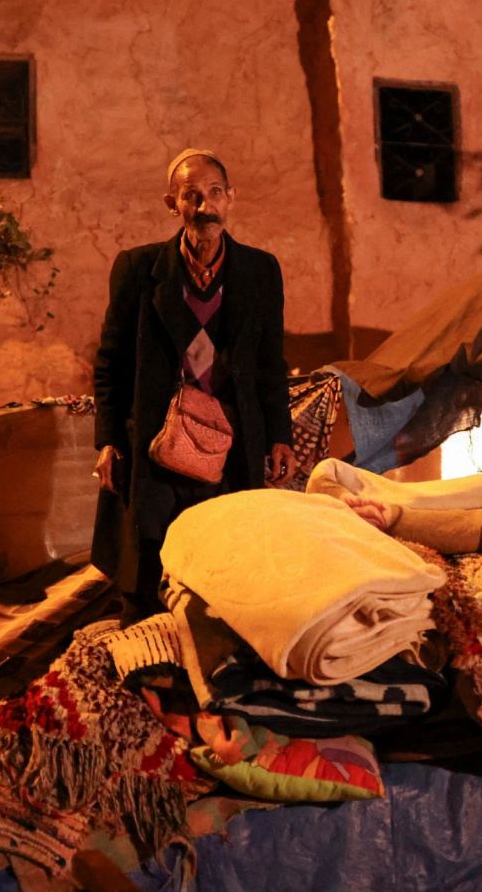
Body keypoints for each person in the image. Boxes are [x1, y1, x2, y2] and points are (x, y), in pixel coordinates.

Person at [92, 148, 296, 621]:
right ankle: (146, 668)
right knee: (147, 569)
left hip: (229, 445)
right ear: (173, 205)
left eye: (215, 193)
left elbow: (269, 363)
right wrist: (107, 441)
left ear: (231, 199)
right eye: (191, 196)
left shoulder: (260, 272)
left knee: (224, 570)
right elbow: (110, 363)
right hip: (156, 446)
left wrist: (279, 435)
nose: (205, 206)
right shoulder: (138, 271)